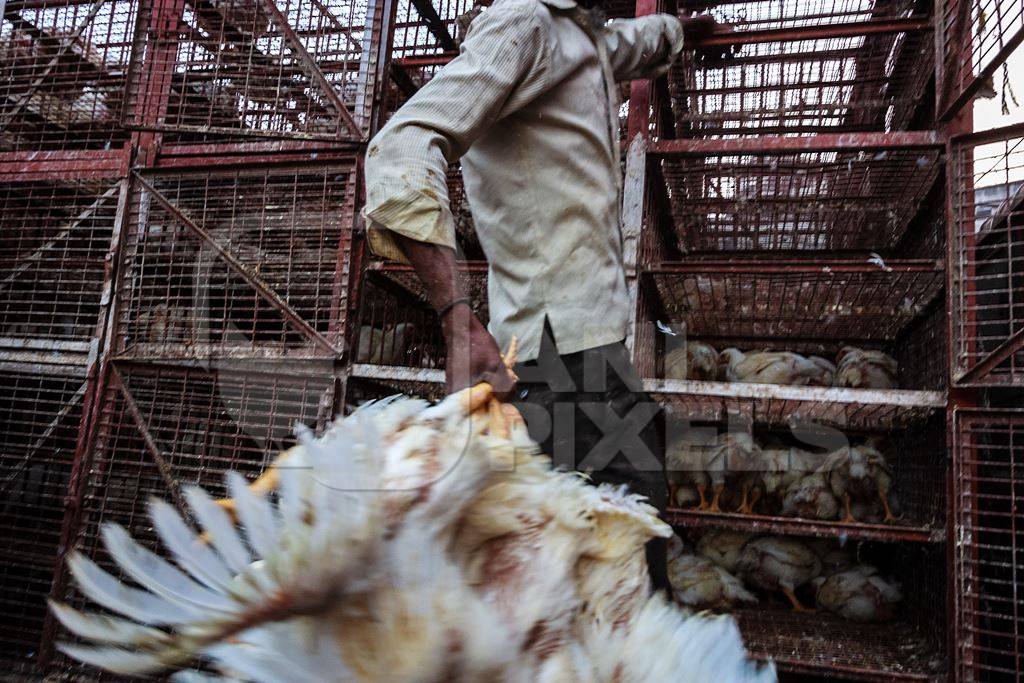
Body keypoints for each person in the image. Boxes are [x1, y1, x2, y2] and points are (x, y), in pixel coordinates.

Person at [362, 0, 726, 591]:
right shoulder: (523, 24)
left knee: (607, 569)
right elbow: (402, 143)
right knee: (622, 580)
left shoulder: (578, 34)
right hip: (561, 368)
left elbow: (627, 44)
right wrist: (457, 319)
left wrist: (685, 32)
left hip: (589, 359)